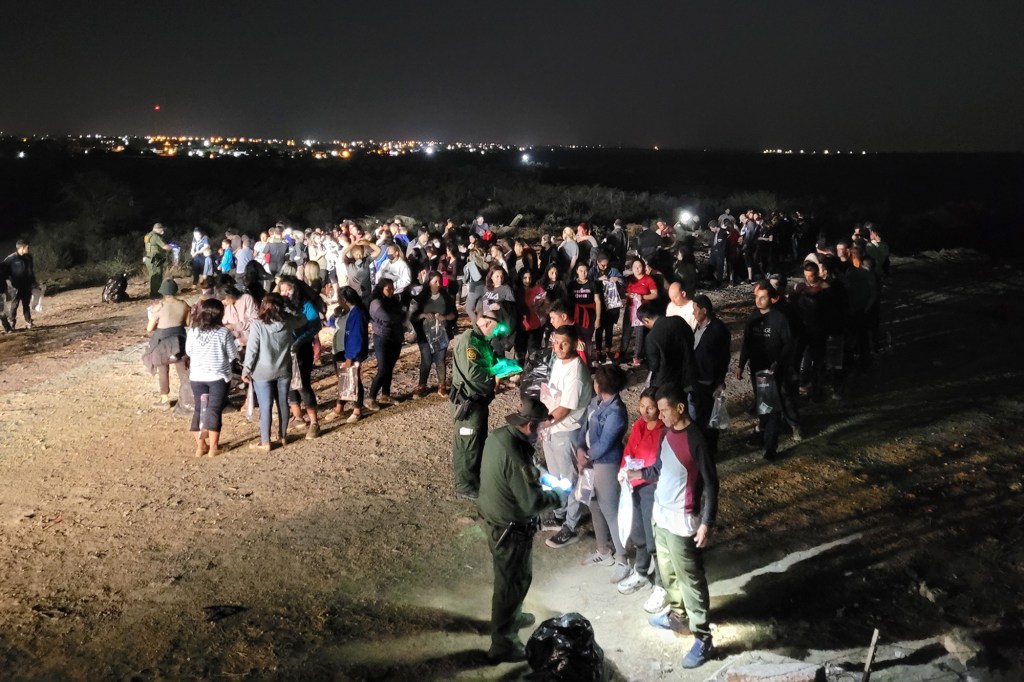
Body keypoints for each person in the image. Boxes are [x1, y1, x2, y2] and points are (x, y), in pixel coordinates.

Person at [477, 397, 565, 663]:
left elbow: (522, 475)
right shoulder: (517, 455)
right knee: (510, 584)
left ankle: (512, 617)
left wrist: (541, 477)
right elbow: (532, 503)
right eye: (540, 428)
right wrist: (560, 494)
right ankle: (502, 644)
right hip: (510, 529)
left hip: (496, 520)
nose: (541, 434)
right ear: (528, 425)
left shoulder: (500, 437)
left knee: (515, 579)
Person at [637, 384, 718, 669]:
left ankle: (703, 637)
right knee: (668, 573)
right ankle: (677, 617)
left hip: (683, 520)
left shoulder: (697, 439)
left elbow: (711, 483)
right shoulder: (666, 434)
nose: (660, 416)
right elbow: (660, 468)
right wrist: (638, 473)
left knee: (691, 580)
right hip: (661, 515)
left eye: (663, 410)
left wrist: (706, 522)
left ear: (680, 408)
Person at [615, 388, 669, 615]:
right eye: (642, 406)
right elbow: (630, 450)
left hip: (652, 488)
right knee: (638, 533)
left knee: (654, 538)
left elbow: (660, 465)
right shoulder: (638, 425)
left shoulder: (664, 432)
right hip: (634, 486)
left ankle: (662, 585)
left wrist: (641, 475)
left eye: (651, 407)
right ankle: (641, 571)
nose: (645, 411)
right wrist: (623, 470)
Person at [575, 365, 630, 583]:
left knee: (611, 510)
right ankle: (603, 551)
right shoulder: (595, 402)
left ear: (600, 385)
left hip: (606, 464)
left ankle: (623, 559)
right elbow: (584, 428)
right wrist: (580, 448)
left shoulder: (616, 411)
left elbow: (606, 443)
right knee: (594, 504)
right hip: (590, 461)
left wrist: (585, 457)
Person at [540, 325, 594, 548]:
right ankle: (560, 513)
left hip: (567, 430)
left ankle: (571, 525)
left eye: (564, 343)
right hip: (553, 428)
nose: (559, 347)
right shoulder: (559, 362)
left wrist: (544, 422)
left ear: (574, 344)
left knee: (569, 480)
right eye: (556, 342)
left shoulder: (576, 372)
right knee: (555, 476)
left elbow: (566, 408)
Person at [736, 281, 800, 461]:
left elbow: (789, 343)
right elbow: (746, 343)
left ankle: (771, 445)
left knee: (771, 407)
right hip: (756, 368)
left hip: (773, 371)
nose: (759, 300)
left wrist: (779, 362)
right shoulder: (753, 318)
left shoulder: (780, 319)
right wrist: (741, 364)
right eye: (757, 297)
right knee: (762, 404)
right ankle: (764, 432)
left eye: (763, 297)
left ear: (773, 299)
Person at [450, 312, 503, 498]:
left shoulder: (480, 341)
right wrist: (493, 379)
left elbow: (486, 362)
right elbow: (474, 375)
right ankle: (465, 485)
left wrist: (500, 366)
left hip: (478, 402)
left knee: (477, 442)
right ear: (487, 323)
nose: (496, 334)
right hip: (468, 403)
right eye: (496, 329)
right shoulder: (469, 342)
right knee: (467, 444)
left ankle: (475, 480)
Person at [242, 293, 303, 451]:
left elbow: (252, 349)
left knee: (265, 406)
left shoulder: (258, 324)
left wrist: (246, 369)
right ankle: (282, 436)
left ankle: (265, 441)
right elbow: (303, 318)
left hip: (262, 372)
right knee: (283, 403)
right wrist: (289, 306)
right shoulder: (287, 321)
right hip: (283, 369)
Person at [186, 298, 239, 457]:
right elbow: (232, 354)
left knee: (198, 409)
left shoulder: (193, 332)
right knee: (214, 410)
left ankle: (200, 447)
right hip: (218, 376)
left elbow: (189, 352)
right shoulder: (224, 332)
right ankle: (214, 448)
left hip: (197, 376)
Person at [278, 276, 323, 439]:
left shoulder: (305, 305)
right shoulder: (280, 305)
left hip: (302, 348)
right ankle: (297, 416)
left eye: (287, 290)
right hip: (284, 350)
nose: (283, 294)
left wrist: (300, 340)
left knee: (303, 384)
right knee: (288, 382)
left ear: (295, 290)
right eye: (281, 290)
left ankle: (314, 423)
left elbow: (316, 325)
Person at [690, 295, 731, 458]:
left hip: (709, 381)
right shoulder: (698, 327)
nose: (693, 313)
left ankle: (710, 450)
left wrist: (720, 380)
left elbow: (724, 357)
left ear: (704, 310)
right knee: (699, 416)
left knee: (709, 418)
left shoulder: (718, 330)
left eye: (695, 310)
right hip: (696, 380)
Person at [143, 279, 190, 409]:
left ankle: (165, 399)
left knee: (163, 369)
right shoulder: (184, 304)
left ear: (163, 292)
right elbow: (187, 323)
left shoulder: (159, 307)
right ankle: (186, 397)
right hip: (180, 341)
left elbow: (149, 328)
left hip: (162, 342)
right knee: (183, 370)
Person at [411, 271, 457, 398]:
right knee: (426, 359)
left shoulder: (446, 297)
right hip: (425, 334)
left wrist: (445, 317)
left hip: (441, 333)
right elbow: (413, 317)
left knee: (440, 359)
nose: (438, 284)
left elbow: (454, 314)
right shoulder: (421, 298)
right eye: (435, 282)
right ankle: (422, 386)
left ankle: (442, 386)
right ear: (429, 283)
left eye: (440, 281)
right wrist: (423, 315)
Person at [638, 303, 696, 396]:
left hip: (666, 382)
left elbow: (654, 366)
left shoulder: (652, 337)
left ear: (645, 320)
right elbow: (692, 339)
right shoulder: (679, 320)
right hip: (688, 374)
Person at [332, 286, 370, 423]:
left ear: (344, 299)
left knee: (354, 379)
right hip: (342, 349)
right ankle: (340, 407)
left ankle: (357, 409)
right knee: (343, 379)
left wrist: (350, 357)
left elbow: (356, 337)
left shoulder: (357, 314)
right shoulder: (348, 311)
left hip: (351, 352)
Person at [366, 277, 405, 410]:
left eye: (393, 288)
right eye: (388, 288)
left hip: (396, 337)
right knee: (383, 368)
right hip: (382, 337)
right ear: (381, 289)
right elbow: (388, 317)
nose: (392, 291)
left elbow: (399, 316)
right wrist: (399, 316)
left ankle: (385, 394)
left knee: (389, 367)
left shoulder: (393, 301)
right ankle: (371, 397)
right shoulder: (376, 303)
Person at [620, 258, 658, 365]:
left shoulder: (648, 280)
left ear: (643, 267)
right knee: (626, 331)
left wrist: (643, 296)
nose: (637, 269)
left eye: (639, 266)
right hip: (630, 308)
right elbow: (624, 293)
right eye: (634, 267)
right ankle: (622, 351)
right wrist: (630, 295)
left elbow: (655, 294)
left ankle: (637, 355)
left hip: (642, 310)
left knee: (639, 333)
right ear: (632, 268)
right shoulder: (629, 279)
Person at [591, 254, 623, 363]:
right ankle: (599, 350)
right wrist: (598, 279)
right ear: (597, 263)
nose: (605, 267)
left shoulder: (613, 270)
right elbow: (588, 283)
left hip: (611, 304)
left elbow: (624, 281)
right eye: (602, 265)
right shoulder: (592, 271)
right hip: (599, 304)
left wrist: (617, 279)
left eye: (606, 265)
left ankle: (608, 349)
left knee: (609, 328)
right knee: (599, 328)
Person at [568, 263, 602, 361]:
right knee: (576, 338)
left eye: (586, 271)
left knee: (587, 339)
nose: (583, 273)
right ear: (577, 271)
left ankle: (587, 360)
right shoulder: (572, 285)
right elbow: (568, 301)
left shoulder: (592, 284)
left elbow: (597, 301)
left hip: (590, 315)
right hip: (575, 315)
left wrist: (598, 318)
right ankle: (576, 359)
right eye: (581, 271)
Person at [513, 268, 546, 366]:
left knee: (534, 354)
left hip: (534, 327)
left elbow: (545, 304)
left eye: (529, 278)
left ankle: (532, 376)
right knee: (520, 354)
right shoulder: (516, 291)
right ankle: (519, 374)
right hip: (521, 327)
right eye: (525, 278)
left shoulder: (538, 289)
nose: (528, 280)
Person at [4, 240, 37, 330]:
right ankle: (12, 323)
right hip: (15, 287)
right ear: (22, 248)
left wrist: (34, 283)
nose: (29, 249)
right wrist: (9, 282)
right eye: (27, 247)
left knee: (26, 304)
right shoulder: (11, 259)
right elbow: (3, 271)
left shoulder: (29, 258)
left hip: (26, 285)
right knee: (15, 304)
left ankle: (28, 322)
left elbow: (31, 271)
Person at [144, 224, 172, 299]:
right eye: (161, 229)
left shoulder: (148, 235)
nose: (162, 231)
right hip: (155, 260)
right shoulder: (156, 237)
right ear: (157, 229)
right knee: (157, 276)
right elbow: (165, 247)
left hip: (148, 258)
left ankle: (153, 293)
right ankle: (156, 294)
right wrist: (172, 247)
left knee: (152, 276)